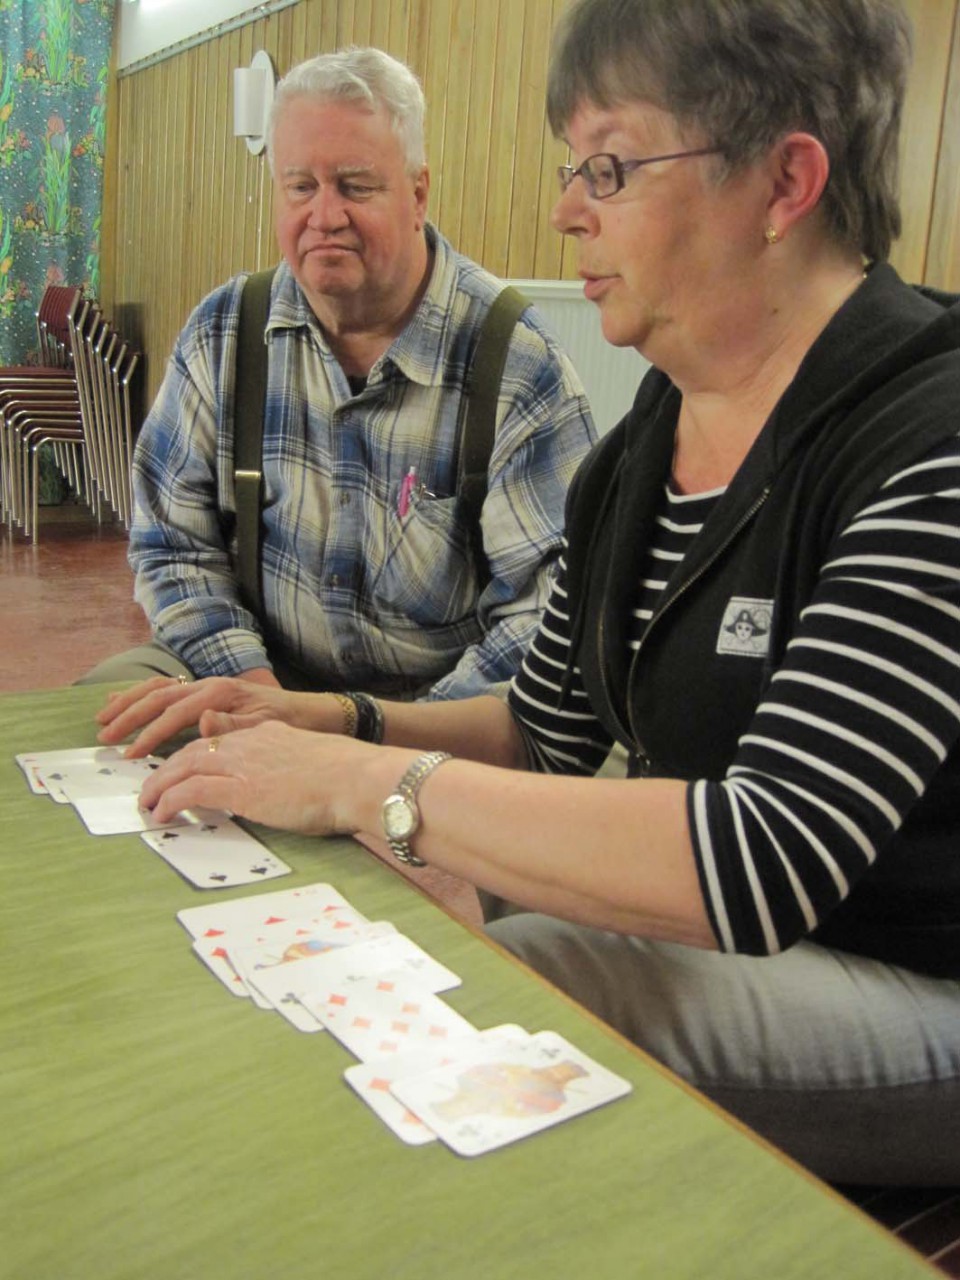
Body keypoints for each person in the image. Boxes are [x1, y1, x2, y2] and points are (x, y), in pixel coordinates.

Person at [119, 0, 960, 1185]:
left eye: (608, 167)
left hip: (915, 978)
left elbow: (763, 854)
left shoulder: (928, 437)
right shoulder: (645, 443)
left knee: (527, 978)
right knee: (435, 927)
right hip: (746, 936)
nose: (566, 209)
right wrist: (327, 722)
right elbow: (540, 729)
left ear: (784, 184)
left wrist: (365, 784)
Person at [86, 47, 596, 702]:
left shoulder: (518, 366)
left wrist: (360, 743)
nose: (324, 217)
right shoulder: (224, 334)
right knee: (107, 704)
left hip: (433, 716)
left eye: (355, 186)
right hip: (258, 681)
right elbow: (171, 547)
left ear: (418, 194)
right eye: (301, 187)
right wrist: (258, 698)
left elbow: (545, 619)